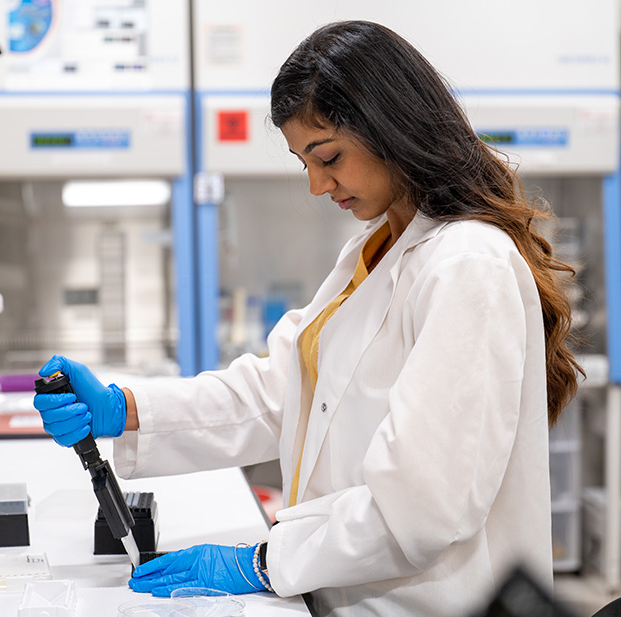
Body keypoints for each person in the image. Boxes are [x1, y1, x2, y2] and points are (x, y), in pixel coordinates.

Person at [33, 20, 582, 617]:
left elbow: (425, 508)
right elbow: (288, 389)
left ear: (392, 127)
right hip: (344, 591)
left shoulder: (468, 264)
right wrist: (128, 409)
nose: (318, 185)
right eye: (305, 164)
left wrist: (265, 562)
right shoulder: (377, 249)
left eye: (329, 157)